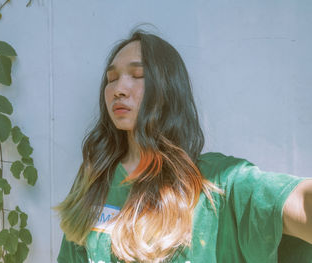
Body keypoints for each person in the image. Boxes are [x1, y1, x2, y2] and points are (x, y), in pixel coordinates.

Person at [54, 30, 312, 263]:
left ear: (167, 89)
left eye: (138, 75)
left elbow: (301, 203)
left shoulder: (219, 184)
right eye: (111, 79)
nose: (118, 89)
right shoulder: (94, 179)